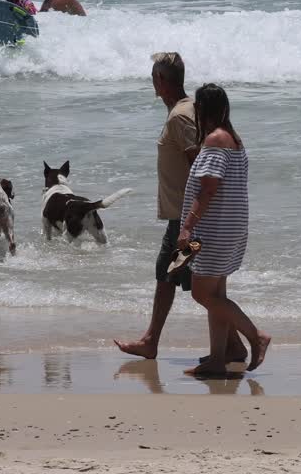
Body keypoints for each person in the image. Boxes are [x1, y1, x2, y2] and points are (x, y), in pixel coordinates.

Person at [114, 54, 246, 362]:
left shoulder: (181, 116)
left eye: (153, 77)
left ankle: (246, 340)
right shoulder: (184, 111)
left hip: (187, 221)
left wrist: (192, 222)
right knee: (172, 276)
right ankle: (159, 341)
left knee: (195, 284)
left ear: (160, 80)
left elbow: (204, 167)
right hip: (184, 217)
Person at [180, 83, 270, 377]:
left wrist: (187, 227)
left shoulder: (216, 140)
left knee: (201, 293)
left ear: (201, 109)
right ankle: (217, 359)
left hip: (213, 231)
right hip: (230, 227)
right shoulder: (233, 138)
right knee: (216, 295)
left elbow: (208, 189)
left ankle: (256, 336)